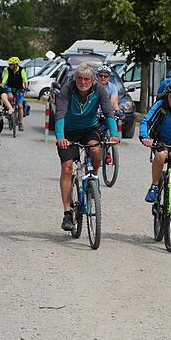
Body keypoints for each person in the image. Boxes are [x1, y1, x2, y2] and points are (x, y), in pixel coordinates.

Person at [54, 63, 120, 231]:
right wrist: (61, 137)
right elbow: (60, 114)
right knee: (67, 168)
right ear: (75, 79)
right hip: (68, 132)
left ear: (92, 80)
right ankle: (67, 212)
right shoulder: (67, 90)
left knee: (96, 149)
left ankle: (93, 179)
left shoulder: (99, 90)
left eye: (87, 79)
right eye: (80, 79)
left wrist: (114, 133)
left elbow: (108, 112)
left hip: (89, 129)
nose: (83, 82)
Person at [2, 57, 28, 131]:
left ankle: (20, 123)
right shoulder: (8, 70)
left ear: (16, 65)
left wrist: (26, 87)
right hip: (10, 87)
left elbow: (25, 80)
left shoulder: (21, 70)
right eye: (9, 64)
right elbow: (4, 79)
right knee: (9, 97)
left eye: (11, 64)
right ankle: (9, 108)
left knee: (20, 106)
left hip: (19, 89)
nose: (10, 66)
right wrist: (1, 87)